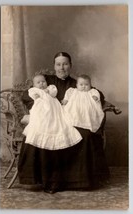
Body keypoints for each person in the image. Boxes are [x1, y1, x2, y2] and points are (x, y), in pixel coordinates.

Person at [18, 52, 121, 193]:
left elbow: (95, 92)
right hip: (49, 119)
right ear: (54, 66)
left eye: (65, 64)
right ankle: (49, 181)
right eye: (58, 64)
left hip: (69, 120)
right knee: (43, 135)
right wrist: (38, 104)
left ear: (70, 66)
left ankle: (77, 181)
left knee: (85, 135)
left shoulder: (76, 83)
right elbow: (28, 93)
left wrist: (97, 98)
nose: (62, 68)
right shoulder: (46, 80)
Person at [23, 73, 82, 150]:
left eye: (43, 81)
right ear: (34, 85)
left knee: (57, 119)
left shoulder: (51, 87)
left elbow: (54, 93)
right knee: (40, 118)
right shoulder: (34, 90)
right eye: (38, 82)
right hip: (41, 108)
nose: (41, 83)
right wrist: (35, 95)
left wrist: (48, 91)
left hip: (54, 107)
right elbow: (31, 94)